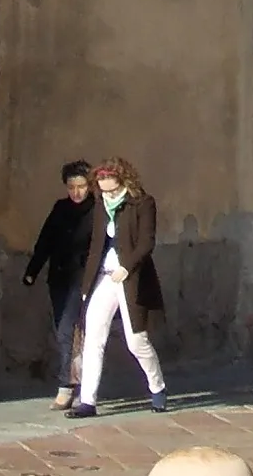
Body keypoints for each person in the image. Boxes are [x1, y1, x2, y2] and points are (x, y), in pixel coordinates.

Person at [68, 158, 167, 417]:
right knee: (93, 337)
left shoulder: (143, 203)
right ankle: (87, 401)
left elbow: (147, 242)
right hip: (104, 276)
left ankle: (157, 387)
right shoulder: (101, 205)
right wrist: (87, 284)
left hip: (129, 276)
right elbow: (96, 246)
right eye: (103, 190)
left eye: (113, 190)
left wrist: (128, 266)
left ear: (124, 182)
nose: (108, 195)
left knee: (136, 340)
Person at [23, 160, 95, 409]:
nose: (76, 192)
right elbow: (46, 241)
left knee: (69, 331)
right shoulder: (60, 209)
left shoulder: (97, 211)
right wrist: (32, 270)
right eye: (71, 186)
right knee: (64, 332)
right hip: (59, 278)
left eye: (81, 186)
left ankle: (67, 386)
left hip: (83, 279)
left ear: (90, 186)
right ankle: (80, 382)